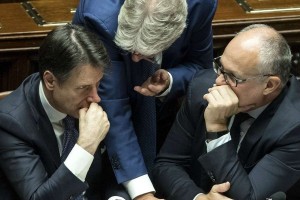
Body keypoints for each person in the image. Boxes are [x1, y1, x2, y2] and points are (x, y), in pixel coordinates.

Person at [73, 0, 218, 199]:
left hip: (167, 116)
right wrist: (142, 192)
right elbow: (113, 105)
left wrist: (171, 80)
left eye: (145, 54)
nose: (135, 58)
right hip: (107, 128)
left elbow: (201, 68)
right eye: (132, 50)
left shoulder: (200, 4)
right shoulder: (99, 16)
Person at [152, 24, 300, 200]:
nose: (218, 81)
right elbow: (167, 164)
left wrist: (216, 128)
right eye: (219, 67)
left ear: (269, 85)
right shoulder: (202, 88)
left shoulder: (294, 127)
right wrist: (198, 198)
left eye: (232, 77)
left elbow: (246, 197)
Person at [0, 24, 111, 199]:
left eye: (98, 84)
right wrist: (86, 145)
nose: (95, 97)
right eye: (83, 88)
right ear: (50, 80)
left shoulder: (90, 97)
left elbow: (114, 169)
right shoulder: (11, 123)